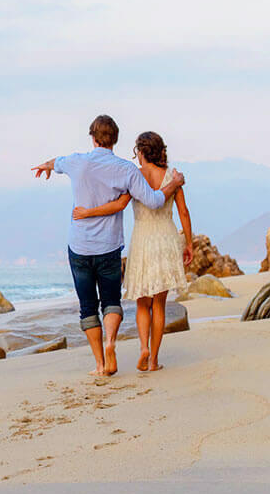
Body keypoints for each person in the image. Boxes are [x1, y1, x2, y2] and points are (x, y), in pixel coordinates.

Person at [31, 116, 184, 377]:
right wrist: (174, 183)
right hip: (109, 247)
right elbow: (156, 201)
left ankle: (101, 364)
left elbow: (56, 162)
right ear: (115, 139)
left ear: (92, 137)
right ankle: (111, 341)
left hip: (79, 246)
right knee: (111, 302)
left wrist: (46, 166)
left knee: (87, 306)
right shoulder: (126, 170)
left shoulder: (77, 161)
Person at [72, 131, 193, 372]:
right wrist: (189, 243)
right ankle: (154, 360)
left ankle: (143, 349)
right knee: (159, 304)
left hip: (142, 240)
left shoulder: (134, 176)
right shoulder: (174, 177)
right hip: (166, 239)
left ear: (140, 152)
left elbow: (118, 205)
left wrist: (87, 213)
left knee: (142, 303)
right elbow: (184, 212)